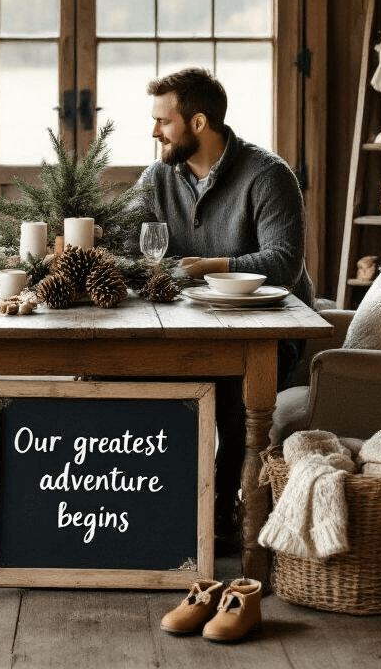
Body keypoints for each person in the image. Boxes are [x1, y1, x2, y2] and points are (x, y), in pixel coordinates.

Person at [136, 67, 314, 548]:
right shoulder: (157, 177)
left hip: (267, 333)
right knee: (140, 371)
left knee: (236, 380)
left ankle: (224, 500)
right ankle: (167, 496)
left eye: (162, 121)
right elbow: (128, 243)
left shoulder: (268, 175)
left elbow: (283, 264)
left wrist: (205, 266)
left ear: (197, 123)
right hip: (187, 327)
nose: (154, 132)